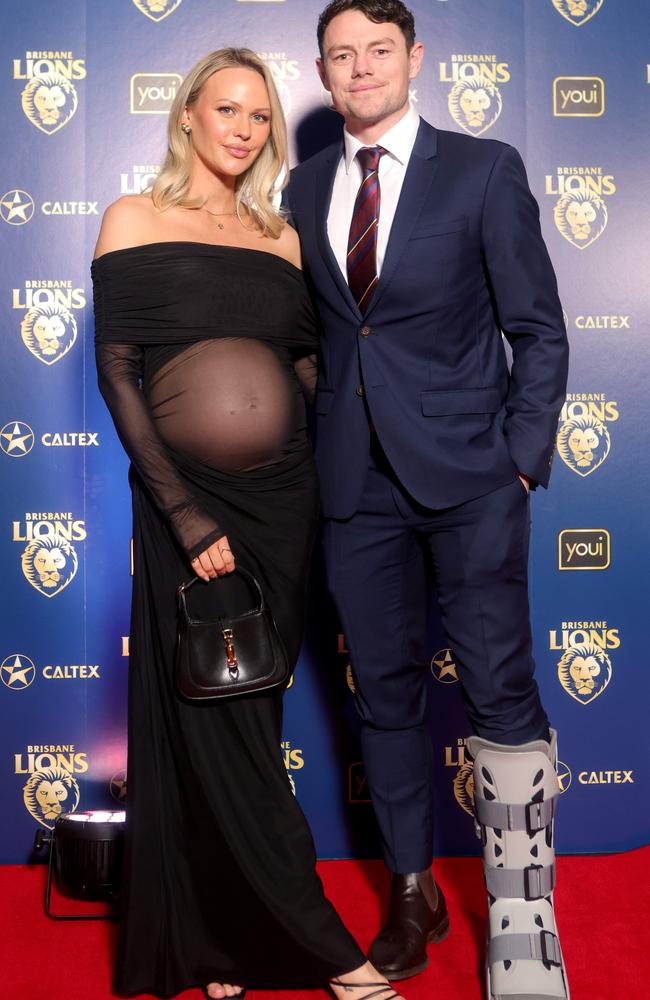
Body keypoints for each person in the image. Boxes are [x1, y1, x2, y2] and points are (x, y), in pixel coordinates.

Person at [92, 47, 404, 1000]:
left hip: (285, 503)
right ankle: (331, 953)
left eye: (259, 115)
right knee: (217, 723)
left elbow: (308, 372)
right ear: (187, 114)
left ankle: (220, 943)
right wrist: (182, 514)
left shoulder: (280, 235)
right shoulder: (132, 219)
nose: (242, 127)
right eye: (224, 108)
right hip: (193, 504)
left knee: (244, 715)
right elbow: (119, 373)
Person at [284, 3, 570, 999]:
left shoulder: (482, 169)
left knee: (498, 685)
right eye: (339, 56)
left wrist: (520, 460)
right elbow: (321, 338)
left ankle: (521, 913)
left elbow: (536, 327)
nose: (358, 69)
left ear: (413, 58)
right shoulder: (302, 182)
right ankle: (412, 891)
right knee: (385, 696)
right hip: (353, 488)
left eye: (376, 51)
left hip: (470, 480)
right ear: (321, 72)